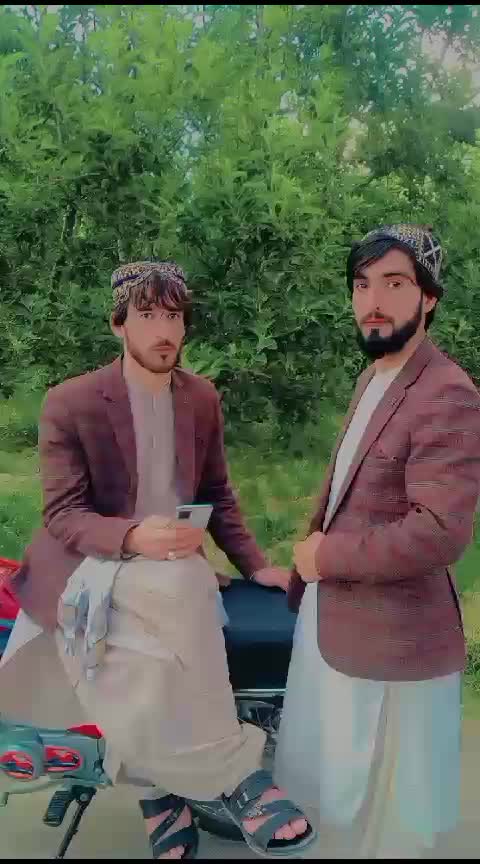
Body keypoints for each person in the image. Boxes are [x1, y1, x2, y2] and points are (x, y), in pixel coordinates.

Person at [1, 261, 315, 859]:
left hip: (172, 558)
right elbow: (63, 514)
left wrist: (254, 566)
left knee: (175, 610)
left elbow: (217, 493)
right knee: (183, 588)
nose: (164, 330)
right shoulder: (70, 402)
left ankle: (158, 795)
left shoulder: (200, 398)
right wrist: (132, 536)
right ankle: (236, 777)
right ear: (119, 324)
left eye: (173, 316)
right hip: (92, 560)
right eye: (147, 315)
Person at [275, 224, 480, 858]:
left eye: (394, 284)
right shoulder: (376, 377)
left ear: (429, 297)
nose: (373, 302)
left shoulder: (447, 391)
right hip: (337, 626)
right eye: (362, 285)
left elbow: (440, 530)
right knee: (332, 798)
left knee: (384, 820)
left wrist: (324, 556)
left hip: (393, 646)